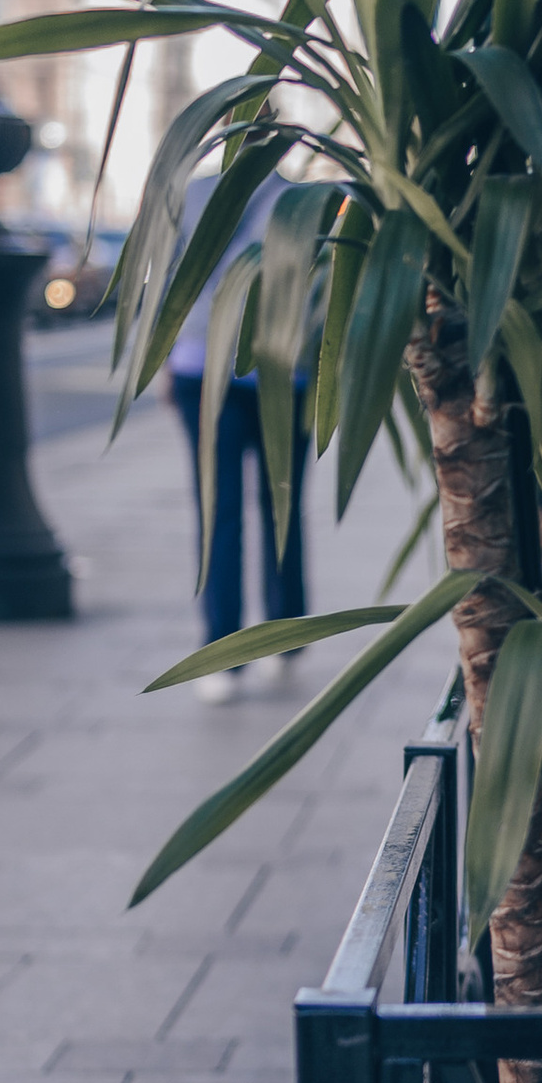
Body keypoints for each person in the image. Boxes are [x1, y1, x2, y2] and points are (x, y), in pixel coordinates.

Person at [166, 174, 308, 703]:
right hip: (277, 371)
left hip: (209, 368)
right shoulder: (296, 200)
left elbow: (170, 285)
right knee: (279, 506)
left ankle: (226, 650)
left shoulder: (195, 193)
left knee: (221, 509)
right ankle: (281, 633)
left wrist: (163, 360)